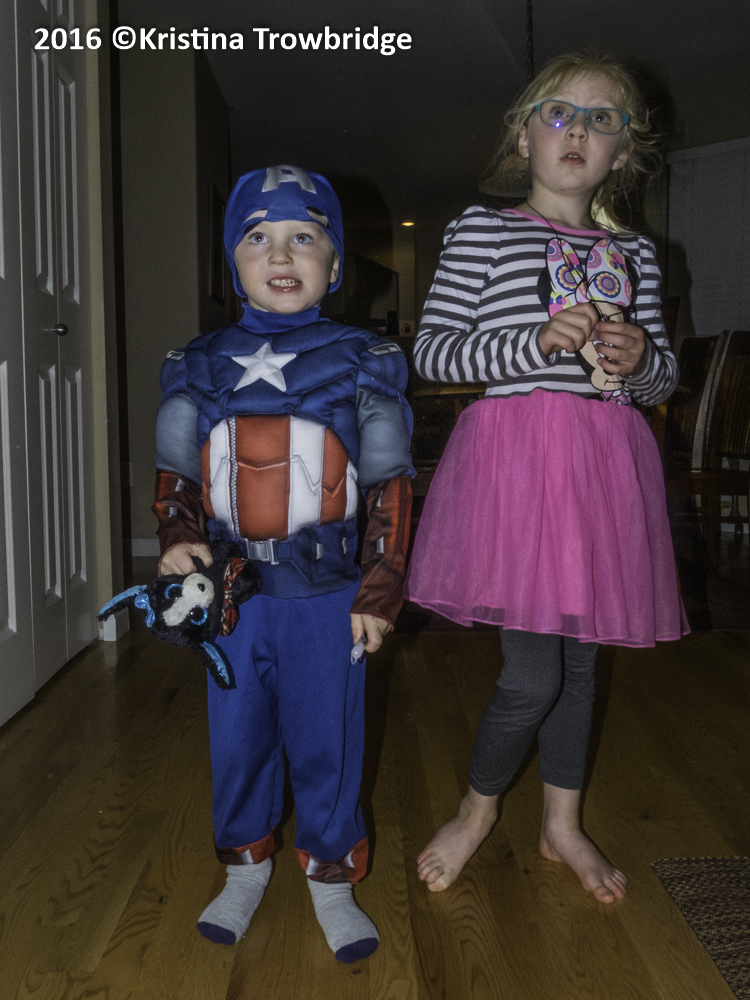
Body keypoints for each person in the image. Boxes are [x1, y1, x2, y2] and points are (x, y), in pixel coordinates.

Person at [405, 53, 688, 903]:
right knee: (533, 675)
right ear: (524, 136)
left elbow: (661, 380)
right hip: (517, 474)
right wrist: (531, 343)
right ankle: (478, 807)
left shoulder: (636, 255)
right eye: (558, 112)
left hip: (603, 471)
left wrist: (640, 359)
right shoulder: (482, 231)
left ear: (622, 153)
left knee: (581, 665)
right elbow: (435, 353)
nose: (578, 130)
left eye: (603, 119)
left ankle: (561, 824)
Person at [152, 165, 414, 960]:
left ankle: (332, 877)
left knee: (327, 735)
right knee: (237, 737)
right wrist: (175, 534)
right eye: (258, 237)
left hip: (327, 591)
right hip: (233, 594)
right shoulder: (196, 362)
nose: (280, 253)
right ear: (231, 261)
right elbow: (177, 472)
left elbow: (390, 482)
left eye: (304, 236)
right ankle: (244, 866)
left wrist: (380, 586)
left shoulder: (365, 358)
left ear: (335, 265)